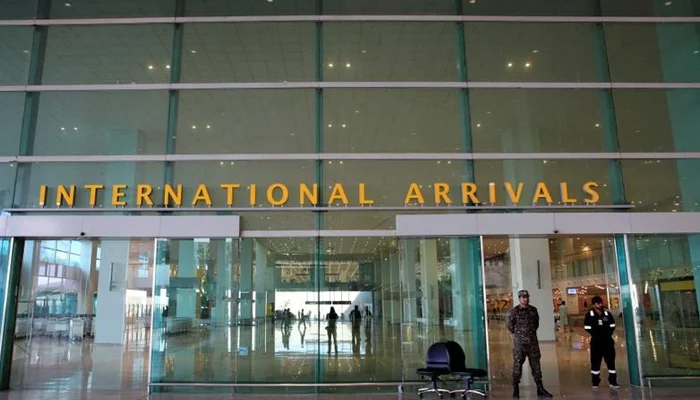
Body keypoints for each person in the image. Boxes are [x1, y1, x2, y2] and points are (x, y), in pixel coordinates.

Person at [507, 290, 553, 398]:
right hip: (520, 345)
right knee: (517, 367)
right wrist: (520, 334)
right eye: (523, 297)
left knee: (536, 366)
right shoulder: (514, 312)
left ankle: (540, 388)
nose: (525, 299)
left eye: (526, 297)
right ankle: (516, 388)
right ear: (519, 298)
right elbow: (510, 326)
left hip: (532, 344)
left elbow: (536, 324)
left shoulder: (533, 310)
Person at [584, 296, 619, 389]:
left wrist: (607, 332)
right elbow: (587, 327)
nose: (600, 304)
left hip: (608, 341)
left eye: (601, 303)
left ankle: (613, 381)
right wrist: (596, 332)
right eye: (598, 303)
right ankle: (595, 382)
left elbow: (612, 325)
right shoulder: (589, 315)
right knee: (595, 362)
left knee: (611, 361)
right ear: (594, 305)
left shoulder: (607, 314)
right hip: (596, 341)